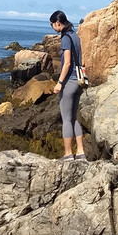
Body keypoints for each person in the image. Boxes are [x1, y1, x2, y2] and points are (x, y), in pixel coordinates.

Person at [49, 10, 86, 161]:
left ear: (58, 22)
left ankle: (68, 154)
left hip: (69, 81)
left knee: (66, 119)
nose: (52, 27)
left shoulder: (65, 38)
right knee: (73, 117)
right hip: (79, 81)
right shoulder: (75, 36)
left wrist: (59, 83)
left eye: (52, 25)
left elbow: (68, 63)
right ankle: (81, 153)